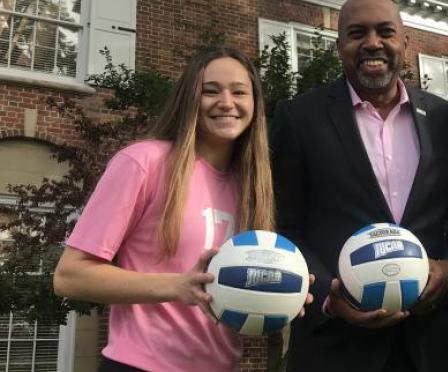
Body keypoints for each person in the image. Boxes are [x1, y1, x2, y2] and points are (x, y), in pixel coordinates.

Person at [270, 0, 448, 372]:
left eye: (385, 32)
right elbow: (285, 226)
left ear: (404, 43)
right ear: (340, 43)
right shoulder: (299, 118)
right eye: (357, 33)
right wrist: (329, 294)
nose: (372, 43)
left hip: (430, 345)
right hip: (334, 346)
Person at [53, 46, 280, 372]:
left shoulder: (252, 187)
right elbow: (70, 276)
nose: (227, 102)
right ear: (189, 99)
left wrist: (282, 292)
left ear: (255, 104)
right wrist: (176, 286)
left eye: (239, 92)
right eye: (210, 91)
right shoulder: (144, 162)